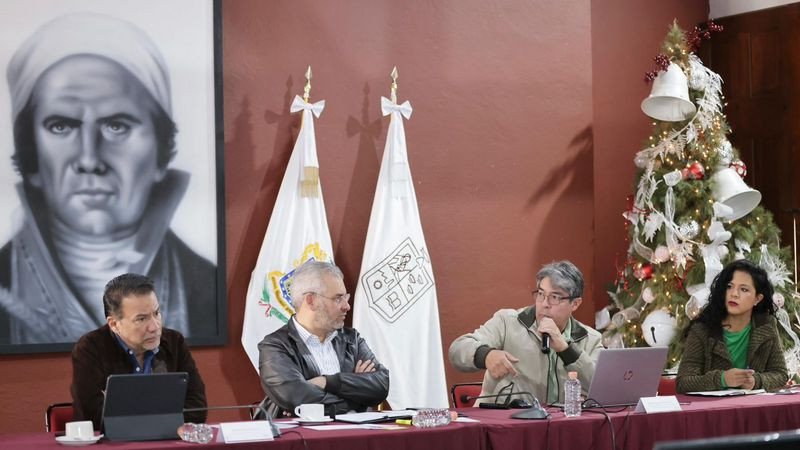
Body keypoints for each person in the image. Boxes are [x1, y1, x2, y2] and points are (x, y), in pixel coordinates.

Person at [0, 12, 216, 345]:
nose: (89, 159)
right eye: (61, 126)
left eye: (117, 126)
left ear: (160, 151)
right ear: (31, 154)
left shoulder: (206, 288)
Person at [449, 260, 603, 405]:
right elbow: (457, 350)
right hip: (505, 420)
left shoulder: (591, 339)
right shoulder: (507, 322)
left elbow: (602, 387)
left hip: (560, 423)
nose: (544, 304)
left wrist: (566, 350)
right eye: (541, 294)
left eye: (555, 297)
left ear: (575, 303)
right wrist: (485, 355)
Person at [71, 273, 207, 429]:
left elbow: (197, 409)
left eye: (156, 313)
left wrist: (135, 417)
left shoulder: (174, 342)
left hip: (167, 439)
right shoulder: (90, 349)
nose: (154, 327)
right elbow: (93, 416)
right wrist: (164, 417)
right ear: (114, 324)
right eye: (141, 319)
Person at [258, 260, 389, 418]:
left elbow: (381, 385)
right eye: (338, 298)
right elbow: (298, 398)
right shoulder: (275, 346)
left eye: (345, 297)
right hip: (299, 434)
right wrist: (357, 400)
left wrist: (327, 382)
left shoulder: (352, 340)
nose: (347, 306)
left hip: (354, 433)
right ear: (311, 301)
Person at [676, 259, 788, 393]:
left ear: (757, 299)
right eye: (729, 286)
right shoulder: (702, 329)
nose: (734, 294)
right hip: (713, 406)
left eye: (744, 289)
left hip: (752, 403)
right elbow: (683, 382)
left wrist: (755, 381)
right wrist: (722, 379)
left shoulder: (766, 325)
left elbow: (780, 373)